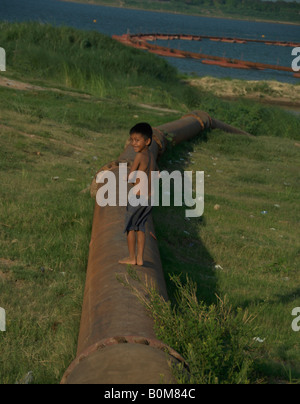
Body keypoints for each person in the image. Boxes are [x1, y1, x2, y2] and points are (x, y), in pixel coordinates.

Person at [119, 122, 158, 266]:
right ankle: (140, 258)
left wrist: (127, 178)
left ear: (147, 141)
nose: (133, 143)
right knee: (141, 227)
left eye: (137, 140)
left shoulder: (139, 156)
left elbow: (131, 177)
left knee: (130, 227)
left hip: (137, 198)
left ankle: (131, 257)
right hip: (149, 199)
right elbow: (157, 174)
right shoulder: (152, 156)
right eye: (131, 140)